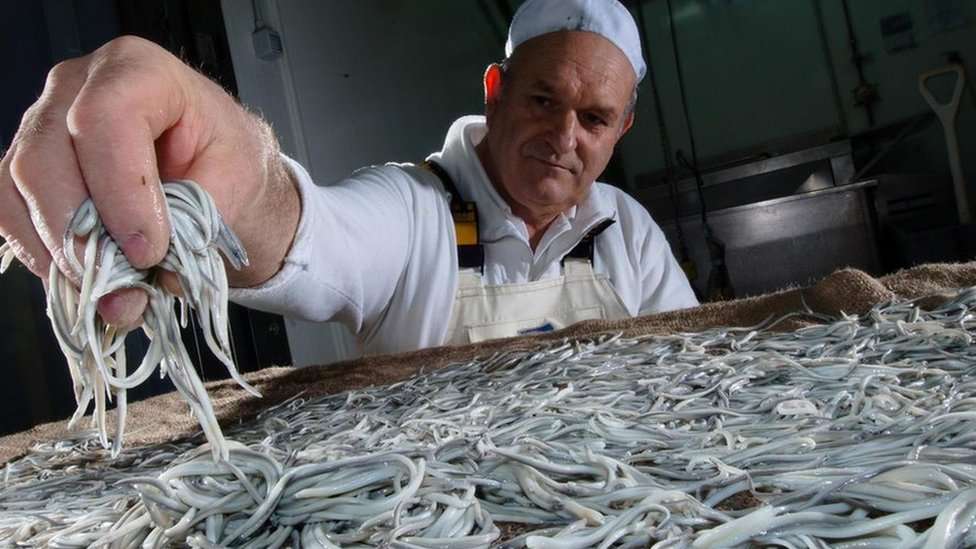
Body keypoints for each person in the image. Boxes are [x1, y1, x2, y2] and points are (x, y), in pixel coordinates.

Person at [0, 0, 697, 356]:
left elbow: (692, 368)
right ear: (496, 92)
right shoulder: (414, 212)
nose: (564, 138)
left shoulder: (627, 230)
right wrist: (241, 178)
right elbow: (312, 234)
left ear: (621, 130)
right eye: (543, 101)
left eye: (594, 119)